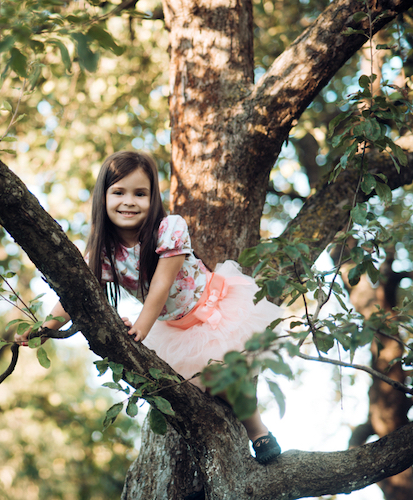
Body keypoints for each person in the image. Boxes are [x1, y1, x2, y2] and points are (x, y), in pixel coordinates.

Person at [18, 151, 283, 464]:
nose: (129, 201)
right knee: (196, 386)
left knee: (226, 378)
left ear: (153, 197)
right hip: (174, 326)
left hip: (216, 311)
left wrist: (141, 327)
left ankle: (257, 430)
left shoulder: (169, 229)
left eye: (139, 194)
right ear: (102, 198)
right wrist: (46, 328)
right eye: (119, 192)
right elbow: (75, 296)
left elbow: (161, 286)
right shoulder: (104, 252)